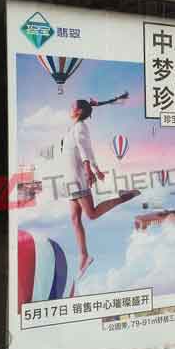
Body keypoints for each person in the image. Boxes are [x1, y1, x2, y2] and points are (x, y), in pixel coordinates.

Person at [63, 99, 139, 280]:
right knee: (75, 219)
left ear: (79, 111)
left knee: (91, 214)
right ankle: (84, 256)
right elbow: (88, 150)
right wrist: (96, 169)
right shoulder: (74, 128)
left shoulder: (80, 127)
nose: (70, 108)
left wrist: (89, 170)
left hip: (78, 178)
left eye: (73, 106)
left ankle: (124, 197)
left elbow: (84, 150)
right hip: (70, 178)